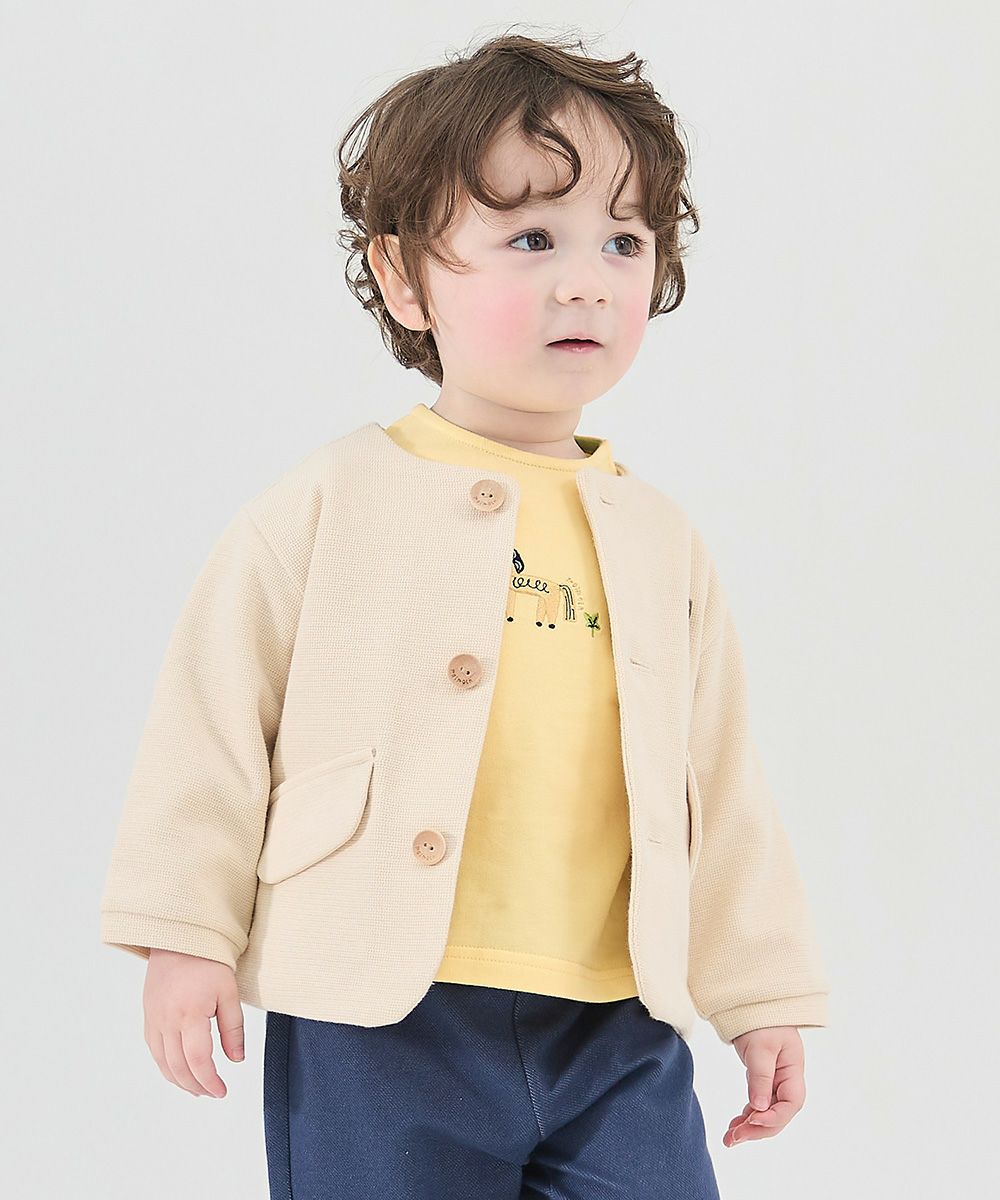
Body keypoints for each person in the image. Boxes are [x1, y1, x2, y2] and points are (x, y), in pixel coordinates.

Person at [99, 31, 830, 1199]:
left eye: (623, 240)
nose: (586, 280)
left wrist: (761, 991)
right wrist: (185, 931)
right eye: (531, 238)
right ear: (402, 277)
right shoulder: (333, 499)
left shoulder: (660, 537)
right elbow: (213, 714)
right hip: (378, 1008)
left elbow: (720, 778)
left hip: (617, 1023)